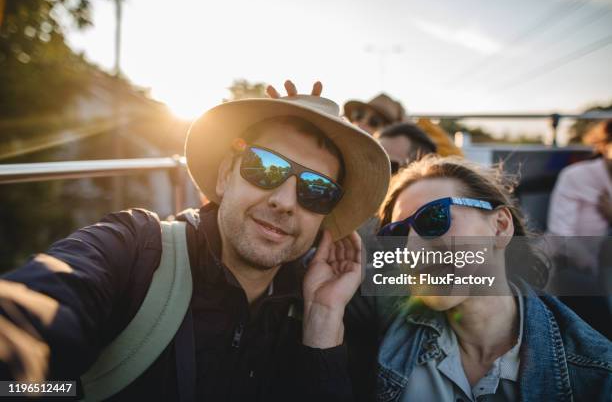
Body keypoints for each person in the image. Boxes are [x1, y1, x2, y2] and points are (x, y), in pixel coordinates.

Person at [0, 81, 391, 401]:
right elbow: (36, 310)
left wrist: (323, 319)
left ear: (326, 214)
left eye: (316, 190)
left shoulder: (324, 299)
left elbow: (442, 282)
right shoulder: (137, 250)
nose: (285, 201)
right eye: (265, 168)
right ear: (225, 176)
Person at [374, 156, 612, 401]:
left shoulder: (596, 375)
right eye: (398, 235)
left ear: (499, 226)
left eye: (434, 218)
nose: (412, 249)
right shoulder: (381, 329)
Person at [546, 119, 612, 339]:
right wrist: (590, 266)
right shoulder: (576, 176)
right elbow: (560, 232)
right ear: (604, 145)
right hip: (571, 259)